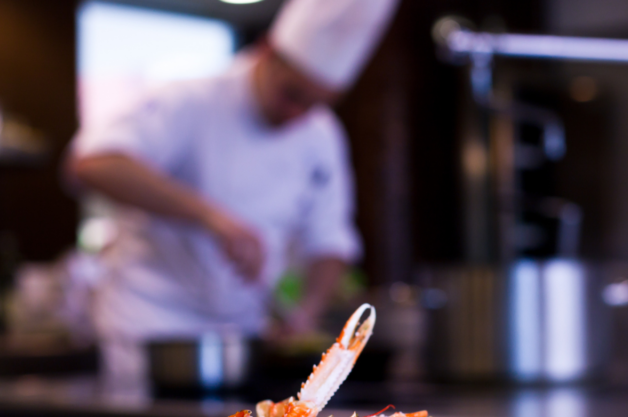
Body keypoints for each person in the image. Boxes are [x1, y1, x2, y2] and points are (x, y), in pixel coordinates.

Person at [68, 0, 400, 386]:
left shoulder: (320, 133)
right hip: (152, 334)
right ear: (267, 52)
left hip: (243, 344)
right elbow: (92, 163)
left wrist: (305, 315)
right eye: (292, 95)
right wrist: (212, 217)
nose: (297, 115)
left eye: (314, 104)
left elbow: (330, 241)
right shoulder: (193, 99)